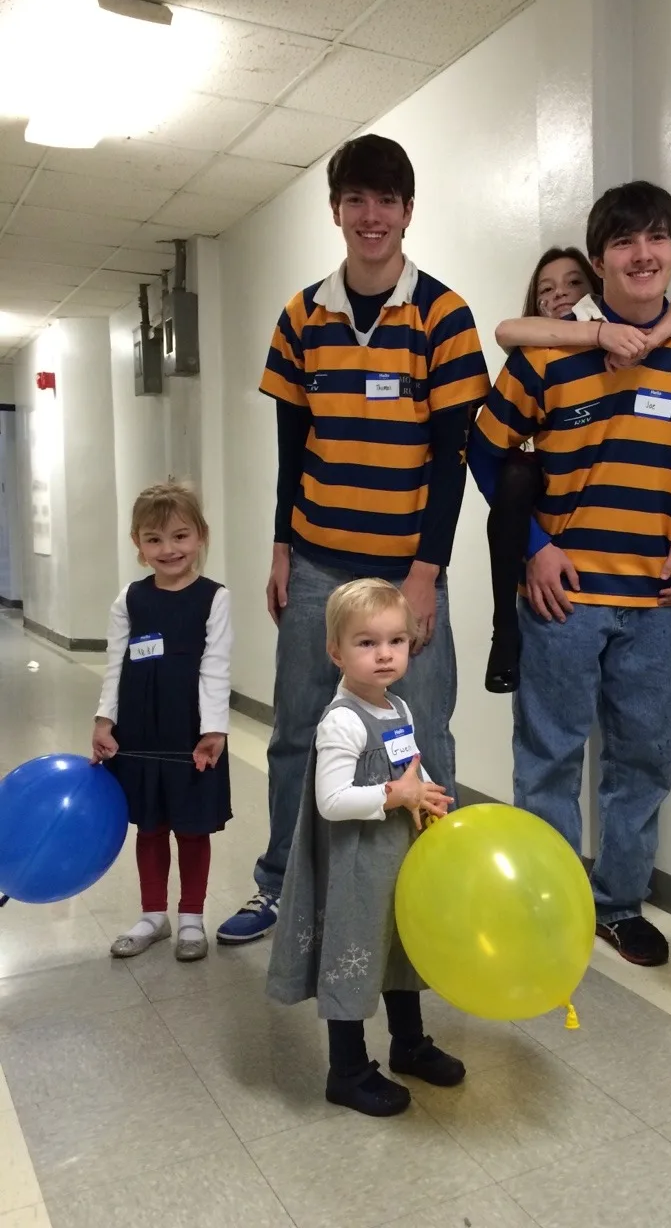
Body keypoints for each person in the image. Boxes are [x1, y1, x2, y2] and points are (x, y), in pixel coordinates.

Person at [217, 135, 489, 945]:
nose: (371, 217)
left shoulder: (443, 314)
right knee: (299, 728)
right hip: (317, 565)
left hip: (408, 568)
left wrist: (424, 574)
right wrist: (279, 551)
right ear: (336, 209)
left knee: (425, 731)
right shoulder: (301, 316)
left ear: (409, 211)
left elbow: (453, 460)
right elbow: (290, 448)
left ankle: (428, 894)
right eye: (356, 200)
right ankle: (282, 886)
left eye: (387, 201)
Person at [471, 180, 671, 967]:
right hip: (562, 597)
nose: (643, 254)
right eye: (625, 242)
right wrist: (535, 547)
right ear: (599, 262)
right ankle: (549, 906)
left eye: (657, 238)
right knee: (550, 757)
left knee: (642, 760)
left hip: (656, 604)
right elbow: (486, 456)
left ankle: (619, 905)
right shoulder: (545, 358)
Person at [478, 245, 671, 693]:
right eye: (547, 290)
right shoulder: (541, 349)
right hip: (561, 551)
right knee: (516, 476)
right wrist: (599, 337)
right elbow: (506, 332)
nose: (561, 296)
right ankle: (504, 629)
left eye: (572, 285)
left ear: (594, 283)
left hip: (650, 582)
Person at [266, 578, 465, 1117]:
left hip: (397, 859)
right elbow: (331, 800)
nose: (384, 655)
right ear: (336, 652)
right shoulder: (342, 722)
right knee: (352, 961)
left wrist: (421, 798)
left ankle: (409, 1044)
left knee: (402, 950)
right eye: (366, 643)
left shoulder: (397, 706)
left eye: (395, 642)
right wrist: (393, 793)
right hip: (356, 867)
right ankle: (347, 1070)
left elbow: (409, 771)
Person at [92, 482, 232, 963]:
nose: (168, 549)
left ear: (200, 536)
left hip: (191, 731)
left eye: (179, 536)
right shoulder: (128, 600)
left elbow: (217, 666)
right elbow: (115, 664)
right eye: (153, 539)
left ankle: (191, 916)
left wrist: (213, 731)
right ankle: (153, 914)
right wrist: (104, 719)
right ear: (137, 543)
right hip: (139, 728)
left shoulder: (214, 598)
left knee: (192, 826)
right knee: (149, 826)